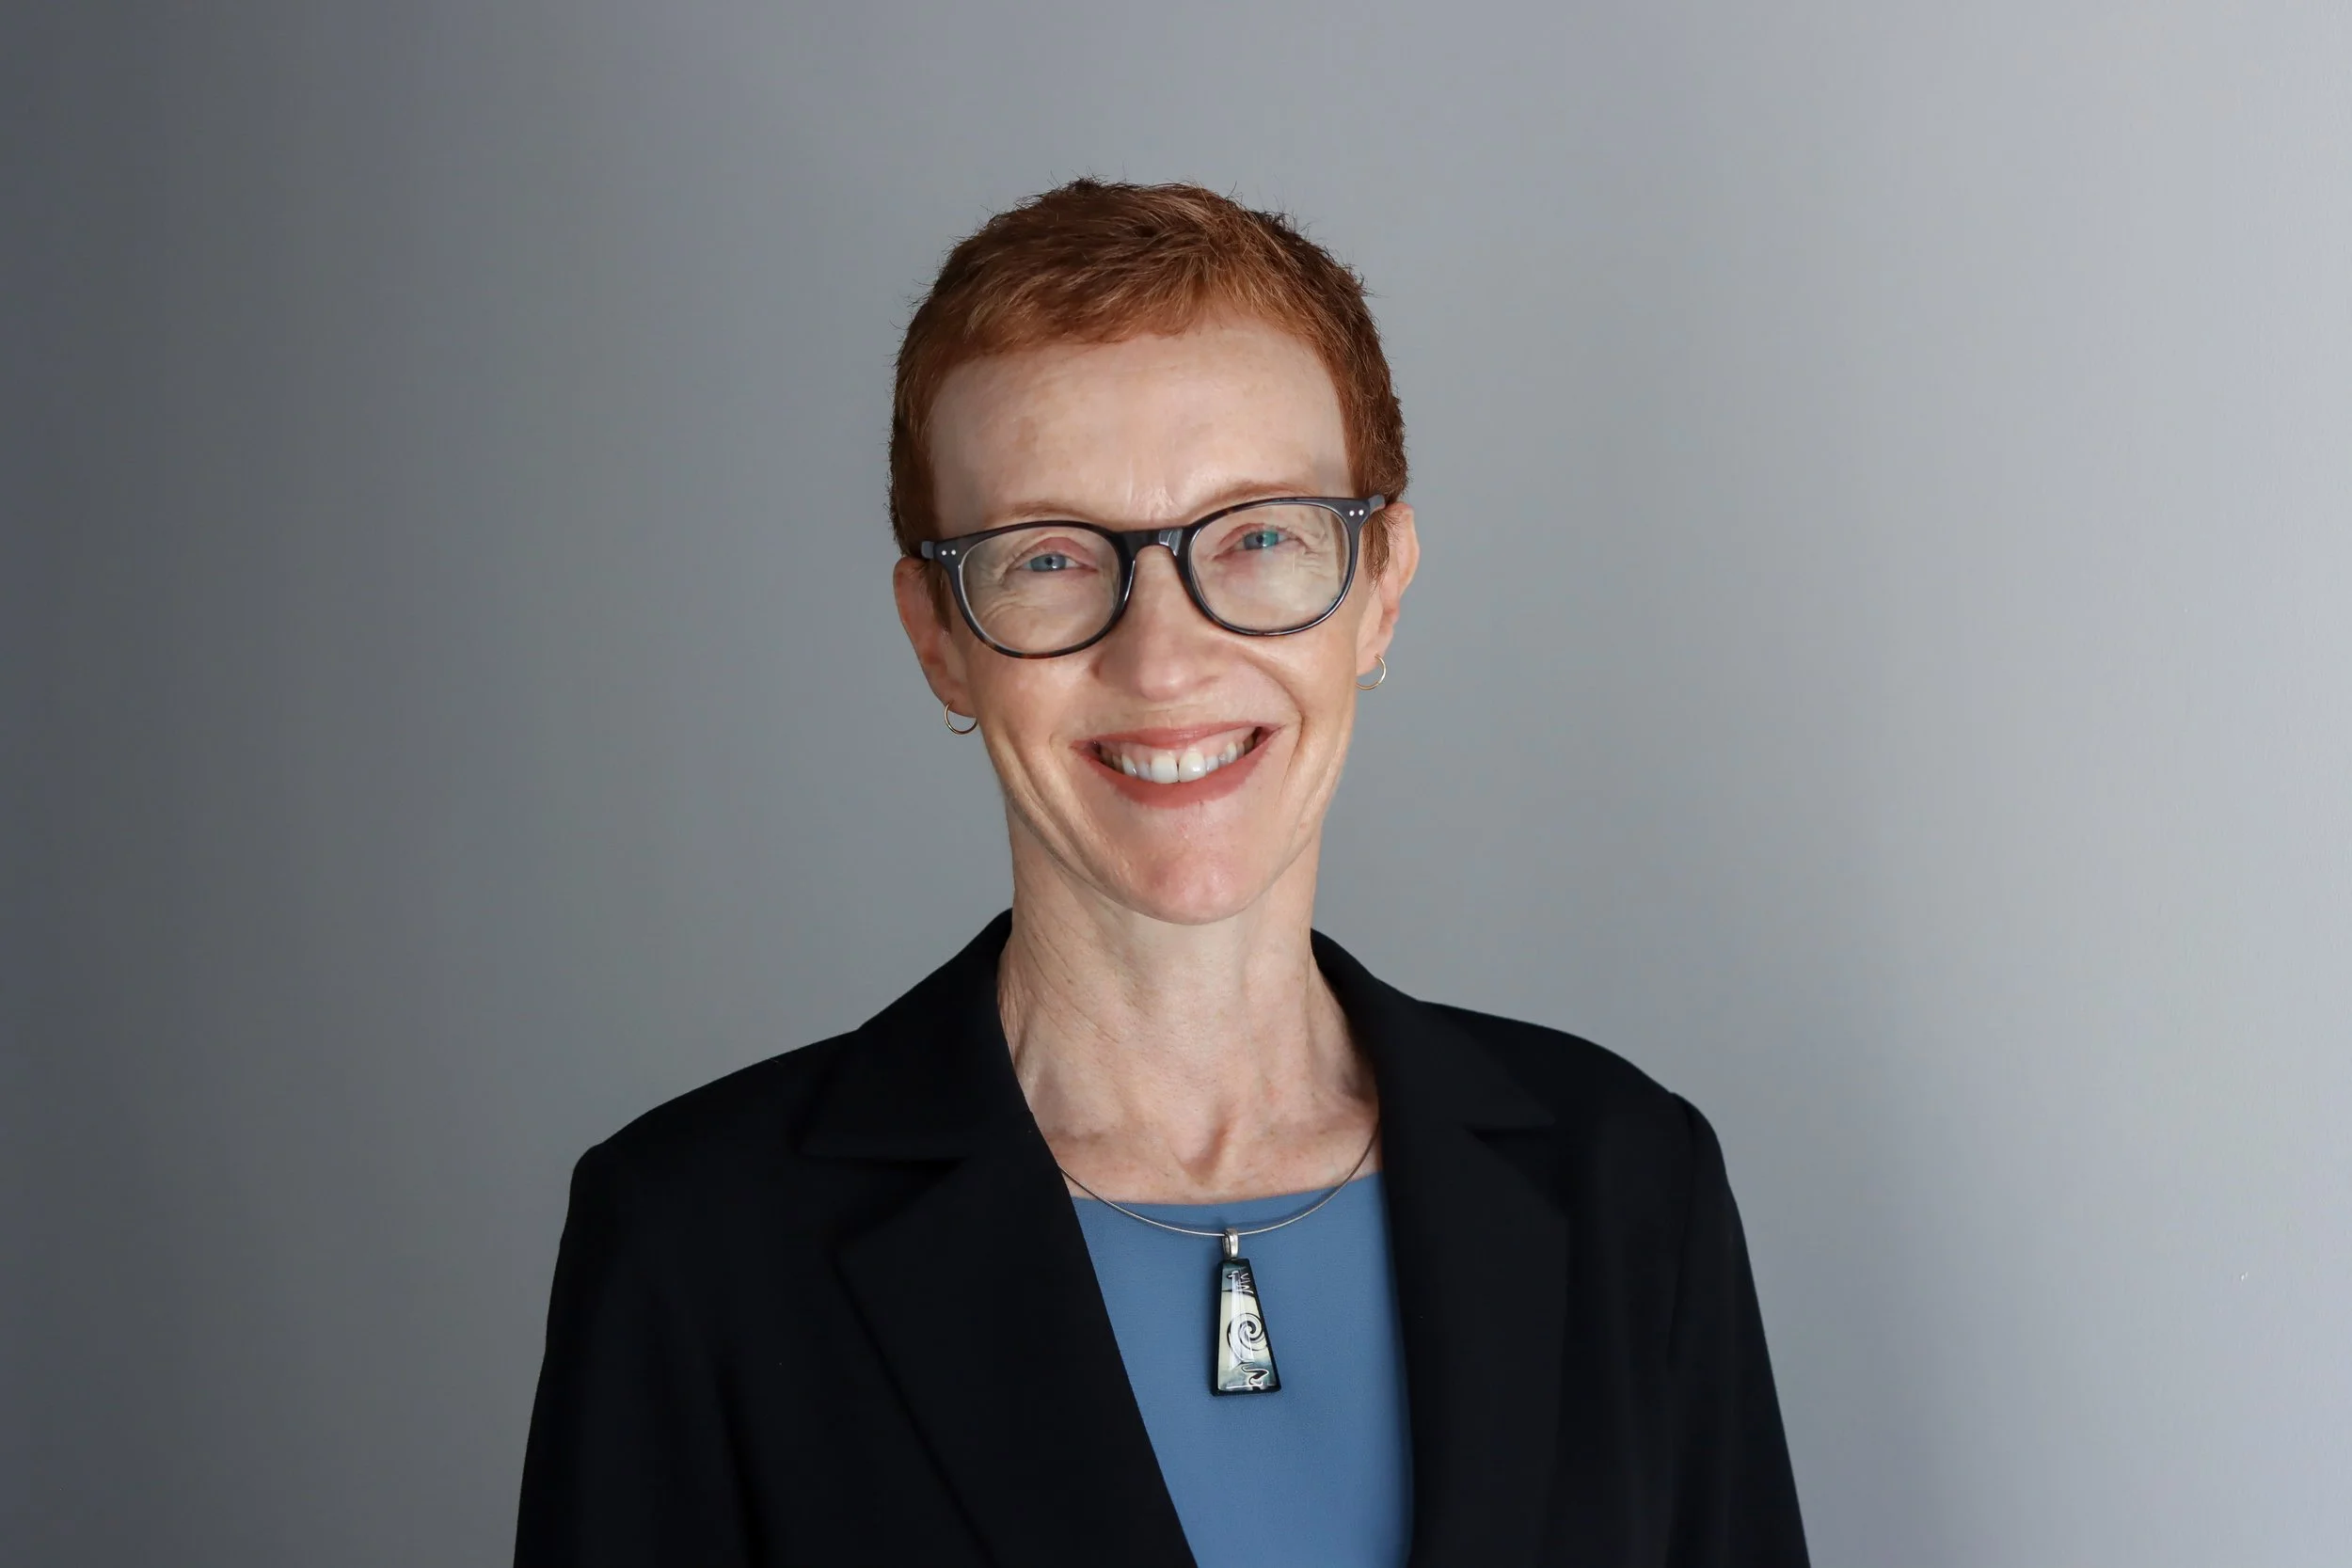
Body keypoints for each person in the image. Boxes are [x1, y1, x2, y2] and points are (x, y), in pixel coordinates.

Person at [515, 179, 1808, 1568]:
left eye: (1256, 536)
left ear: (1380, 588)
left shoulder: (1629, 1182)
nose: (1162, 660)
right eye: (1051, 558)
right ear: (938, 637)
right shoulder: (700, 1243)